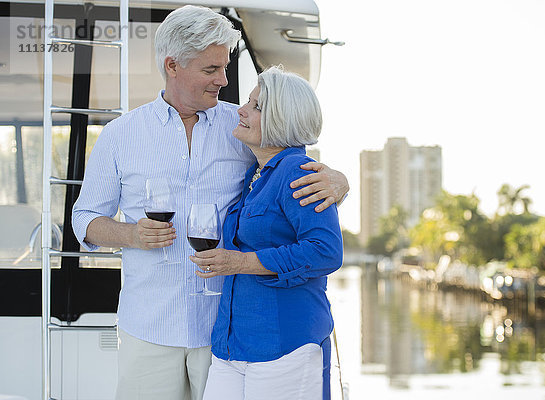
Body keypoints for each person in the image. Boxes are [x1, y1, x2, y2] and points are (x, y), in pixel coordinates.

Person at [71, 6, 348, 400]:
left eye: (225, 67)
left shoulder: (240, 126)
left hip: (222, 331)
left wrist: (339, 181)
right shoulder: (120, 135)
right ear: (172, 65)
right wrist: (129, 234)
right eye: (210, 69)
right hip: (148, 326)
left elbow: (292, 167)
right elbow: (83, 218)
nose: (223, 80)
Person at [190, 66, 343, 400]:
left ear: (281, 120)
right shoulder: (255, 176)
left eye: (256, 106)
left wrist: (241, 262)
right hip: (232, 345)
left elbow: (326, 251)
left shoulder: (297, 172)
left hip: (284, 345)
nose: (242, 110)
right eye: (248, 101)